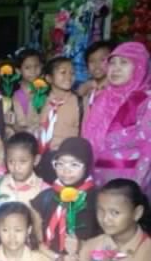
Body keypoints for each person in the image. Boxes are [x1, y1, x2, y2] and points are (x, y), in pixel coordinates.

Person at [31, 137, 101, 261]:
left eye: (74, 165)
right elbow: (36, 237)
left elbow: (106, 240)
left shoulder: (97, 199)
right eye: (60, 164)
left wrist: (82, 247)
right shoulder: (47, 196)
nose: (65, 171)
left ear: (87, 165)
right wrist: (57, 258)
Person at [82, 41, 151, 198]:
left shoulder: (145, 101)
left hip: (127, 183)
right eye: (112, 62)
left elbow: (148, 151)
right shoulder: (102, 98)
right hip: (94, 179)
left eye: (124, 62)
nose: (116, 68)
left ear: (139, 66)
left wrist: (134, 191)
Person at [36, 56, 85, 183]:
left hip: (67, 161)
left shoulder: (80, 102)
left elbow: (85, 132)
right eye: (63, 72)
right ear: (49, 78)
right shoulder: (39, 100)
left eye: (72, 73)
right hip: (41, 158)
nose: (69, 76)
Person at [0, 132, 49, 210]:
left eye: (23, 162)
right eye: (11, 161)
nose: (16, 167)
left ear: (36, 160)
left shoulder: (44, 191)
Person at [12, 49, 44, 135]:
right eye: (27, 67)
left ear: (41, 67)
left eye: (36, 66)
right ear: (18, 71)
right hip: (20, 137)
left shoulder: (45, 91)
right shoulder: (12, 93)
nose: (33, 71)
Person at [76, 40, 115, 106]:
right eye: (92, 61)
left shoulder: (116, 89)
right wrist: (81, 92)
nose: (97, 65)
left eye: (102, 60)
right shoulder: (86, 88)